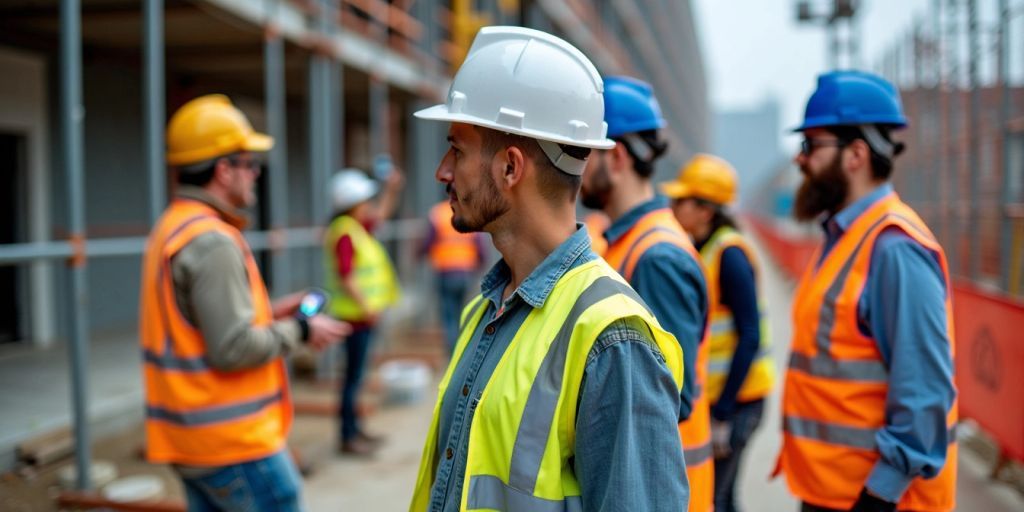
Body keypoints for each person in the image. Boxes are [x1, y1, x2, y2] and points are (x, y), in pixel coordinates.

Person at [408, 26, 689, 511]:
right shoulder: (485, 310)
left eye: (457, 148)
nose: (442, 171)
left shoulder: (612, 339)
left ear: (511, 168)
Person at [139, 94, 350, 511]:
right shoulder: (212, 240)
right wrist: (303, 329)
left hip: (192, 439)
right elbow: (232, 348)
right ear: (223, 169)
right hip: (232, 443)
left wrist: (271, 313)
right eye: (250, 164)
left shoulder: (172, 226)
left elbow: (196, 324)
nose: (256, 174)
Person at [777, 70, 958, 512]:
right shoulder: (843, 237)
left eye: (811, 146)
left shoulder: (895, 248)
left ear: (856, 154)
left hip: (874, 500)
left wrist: (880, 495)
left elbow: (925, 390)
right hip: (831, 491)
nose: (800, 160)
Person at [579, 76, 712, 511]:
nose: (573, 166)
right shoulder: (624, 240)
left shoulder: (657, 257)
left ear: (615, 156)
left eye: (582, 150)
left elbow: (671, 397)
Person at [662, 154, 776, 512]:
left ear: (706, 210)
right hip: (726, 400)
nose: (673, 207)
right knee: (722, 496)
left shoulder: (730, 256)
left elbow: (749, 335)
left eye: (682, 201)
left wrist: (723, 413)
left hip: (739, 402)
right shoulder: (704, 249)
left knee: (718, 498)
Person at [323, 167, 404, 456]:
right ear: (353, 203)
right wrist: (368, 307)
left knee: (356, 377)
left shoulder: (354, 228)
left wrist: (392, 189)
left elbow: (381, 215)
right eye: (365, 200)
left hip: (361, 317)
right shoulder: (345, 232)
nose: (370, 206)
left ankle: (355, 431)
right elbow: (346, 276)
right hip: (355, 317)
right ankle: (348, 436)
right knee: (352, 378)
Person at [422, 200, 487, 352]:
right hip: (465, 271)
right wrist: (481, 263)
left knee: (449, 315)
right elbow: (479, 245)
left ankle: (453, 351)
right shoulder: (470, 211)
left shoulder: (438, 213)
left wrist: (419, 254)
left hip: (445, 271)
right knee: (463, 312)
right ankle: (462, 347)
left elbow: (429, 241)